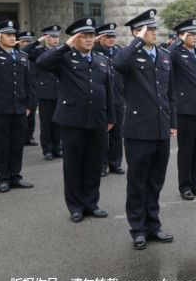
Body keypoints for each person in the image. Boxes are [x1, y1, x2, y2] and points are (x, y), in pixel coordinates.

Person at [37, 18, 115, 223]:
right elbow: (41, 62)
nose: (89, 39)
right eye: (84, 36)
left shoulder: (101, 59)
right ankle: (75, 206)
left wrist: (111, 116)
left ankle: (91, 203)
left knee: (93, 163)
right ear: (74, 38)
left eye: (91, 35)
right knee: (73, 165)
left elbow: (108, 90)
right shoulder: (64, 58)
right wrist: (66, 45)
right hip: (72, 120)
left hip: (97, 119)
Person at [113, 9, 176, 250]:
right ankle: (138, 229)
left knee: (155, 181)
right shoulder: (128, 55)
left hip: (161, 129)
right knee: (138, 182)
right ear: (136, 32)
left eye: (153, 29)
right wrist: (137, 41)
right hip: (138, 131)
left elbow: (170, 94)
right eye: (147, 30)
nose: (153, 33)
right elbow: (118, 63)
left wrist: (173, 123)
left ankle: (153, 225)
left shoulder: (164, 55)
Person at [170, 18, 196, 201]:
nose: (194, 37)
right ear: (181, 35)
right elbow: (166, 52)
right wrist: (179, 41)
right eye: (190, 34)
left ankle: (195, 183)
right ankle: (185, 185)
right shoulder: (176, 53)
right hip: (185, 109)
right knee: (186, 149)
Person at [0, 20, 35, 193]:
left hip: (19, 108)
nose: (13, 38)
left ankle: (15, 176)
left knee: (17, 145)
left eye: (14, 35)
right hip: (0, 109)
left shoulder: (22, 57)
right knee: (1, 145)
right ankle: (3, 178)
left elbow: (28, 83)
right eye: (8, 35)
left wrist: (29, 105)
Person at [22, 25, 62, 160]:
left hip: (60, 92)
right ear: (46, 37)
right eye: (52, 36)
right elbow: (24, 51)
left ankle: (58, 148)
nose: (55, 39)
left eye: (57, 36)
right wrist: (38, 41)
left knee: (58, 122)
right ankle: (47, 150)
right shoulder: (38, 51)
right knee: (46, 123)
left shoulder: (62, 50)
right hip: (45, 92)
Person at [93, 23, 126, 177]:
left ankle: (115, 163)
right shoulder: (93, 51)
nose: (111, 39)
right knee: (101, 134)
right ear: (100, 38)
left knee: (117, 134)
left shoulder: (119, 51)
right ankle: (101, 164)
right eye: (108, 36)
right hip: (101, 99)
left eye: (113, 36)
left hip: (118, 98)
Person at [16, 31, 38, 147]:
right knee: (20, 116)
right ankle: (20, 137)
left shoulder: (33, 55)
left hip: (32, 89)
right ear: (19, 42)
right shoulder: (18, 54)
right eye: (25, 41)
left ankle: (29, 137)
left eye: (29, 41)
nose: (27, 43)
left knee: (32, 115)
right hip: (19, 90)